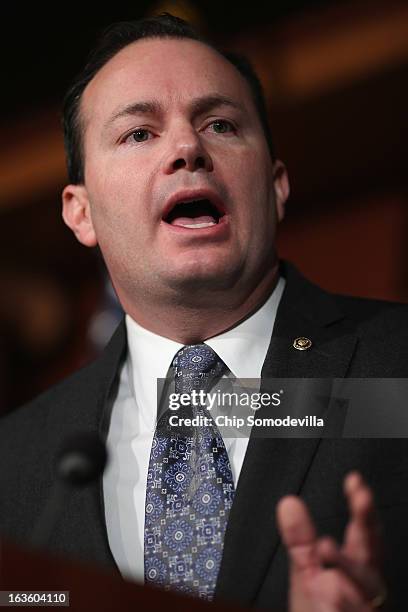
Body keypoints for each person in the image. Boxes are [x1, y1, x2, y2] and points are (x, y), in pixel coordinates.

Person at [0, 13, 407, 611]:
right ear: (80, 212)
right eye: (139, 133)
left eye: (219, 124)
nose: (188, 148)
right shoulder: (16, 461)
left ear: (275, 186)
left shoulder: (395, 367)